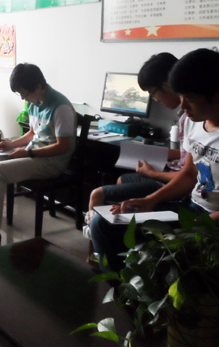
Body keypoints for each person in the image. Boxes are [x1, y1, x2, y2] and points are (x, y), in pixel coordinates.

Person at [91, 48, 219, 271]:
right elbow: (189, 175)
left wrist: (195, 227)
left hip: (210, 222)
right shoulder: (193, 121)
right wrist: (149, 201)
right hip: (190, 208)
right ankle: (119, 286)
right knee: (103, 223)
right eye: (180, 97)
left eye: (190, 98)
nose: (183, 106)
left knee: (151, 259)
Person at [0, 63, 77, 246]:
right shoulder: (34, 102)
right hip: (33, 154)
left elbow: (63, 146)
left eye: (24, 93)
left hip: (51, 162)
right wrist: (11, 145)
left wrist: (28, 152)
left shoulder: (61, 107)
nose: (23, 98)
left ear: (38, 87)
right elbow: (33, 133)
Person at [87, 53, 185, 215]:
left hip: (174, 182)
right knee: (121, 179)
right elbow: (188, 155)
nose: (154, 99)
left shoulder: (191, 118)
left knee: (97, 194)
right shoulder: (184, 117)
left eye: (152, 93)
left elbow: (189, 175)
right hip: (172, 171)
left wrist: (152, 174)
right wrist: (158, 153)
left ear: (167, 85)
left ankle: (100, 223)